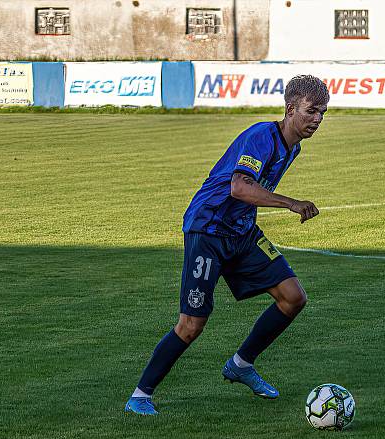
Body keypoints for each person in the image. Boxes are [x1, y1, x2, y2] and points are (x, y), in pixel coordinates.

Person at [125, 75, 329, 415]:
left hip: (241, 230)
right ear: (291, 109)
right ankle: (140, 395)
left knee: (293, 297)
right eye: (311, 112)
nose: (317, 120)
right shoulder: (262, 137)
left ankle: (241, 364)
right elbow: (239, 187)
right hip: (208, 229)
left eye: (323, 113)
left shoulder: (293, 146)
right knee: (192, 324)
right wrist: (290, 203)